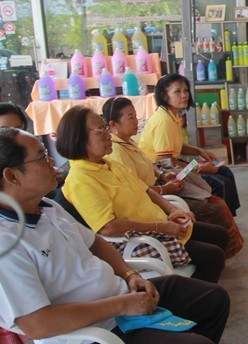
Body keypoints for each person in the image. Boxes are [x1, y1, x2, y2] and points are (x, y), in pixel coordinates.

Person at [0, 127, 229, 344]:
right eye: (42, 156)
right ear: (12, 176)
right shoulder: (6, 243)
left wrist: (130, 275)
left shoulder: (47, 207)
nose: (52, 161)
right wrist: (121, 305)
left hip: (120, 297)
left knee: (213, 300)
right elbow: (37, 323)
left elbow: (95, 243)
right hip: (89, 336)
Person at [56, 106, 228, 283]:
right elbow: (109, 227)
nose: (108, 135)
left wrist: (173, 209)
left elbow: (144, 188)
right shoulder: (80, 179)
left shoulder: (108, 163)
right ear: (78, 138)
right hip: (141, 239)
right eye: (101, 130)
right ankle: (190, 298)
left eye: (106, 128)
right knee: (213, 257)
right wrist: (161, 227)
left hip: (159, 224)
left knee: (220, 235)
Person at [102, 97, 243, 259]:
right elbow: (140, 187)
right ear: (113, 125)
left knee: (223, 177)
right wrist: (169, 186)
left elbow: (149, 162)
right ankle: (217, 250)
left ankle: (220, 246)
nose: (183, 96)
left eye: (135, 116)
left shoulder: (130, 140)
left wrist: (162, 174)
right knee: (216, 203)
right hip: (155, 195)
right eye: (130, 117)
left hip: (161, 183)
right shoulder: (119, 151)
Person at [139, 74, 241, 216]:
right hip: (163, 173)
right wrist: (199, 168)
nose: (184, 95)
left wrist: (199, 151)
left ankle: (230, 218)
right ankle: (223, 219)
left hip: (173, 164)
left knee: (225, 171)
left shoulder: (172, 115)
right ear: (164, 95)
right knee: (219, 183)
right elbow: (166, 162)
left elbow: (177, 146)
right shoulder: (164, 121)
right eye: (177, 91)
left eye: (186, 90)